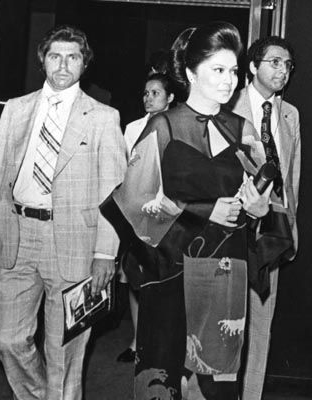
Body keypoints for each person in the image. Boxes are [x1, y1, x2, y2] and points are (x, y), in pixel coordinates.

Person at [101, 21, 293, 400]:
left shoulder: (244, 131)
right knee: (164, 381)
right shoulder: (164, 126)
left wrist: (259, 210)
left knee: (216, 385)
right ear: (190, 74)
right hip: (170, 272)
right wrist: (201, 211)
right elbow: (133, 205)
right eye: (217, 70)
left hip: (225, 276)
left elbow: (272, 207)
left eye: (233, 70)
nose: (228, 80)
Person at [0, 25, 126, 400]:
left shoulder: (103, 117)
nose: (63, 65)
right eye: (55, 56)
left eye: (72, 57)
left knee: (65, 353)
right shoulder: (16, 109)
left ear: (83, 64)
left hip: (75, 245)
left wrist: (106, 254)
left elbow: (113, 192)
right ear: (43, 60)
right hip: (17, 237)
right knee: (6, 340)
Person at [228, 36, 300, 400]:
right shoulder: (227, 105)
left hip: (270, 236)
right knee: (225, 330)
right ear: (253, 67)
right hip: (230, 231)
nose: (282, 71)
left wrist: (288, 228)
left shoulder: (289, 115)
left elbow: (292, 180)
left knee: (261, 330)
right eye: (274, 62)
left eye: (287, 65)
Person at [116, 72, 175, 363]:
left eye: (155, 93)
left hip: (166, 213)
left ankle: (160, 346)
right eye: (145, 93)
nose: (148, 98)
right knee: (134, 276)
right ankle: (137, 341)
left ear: (170, 97)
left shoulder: (177, 125)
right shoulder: (132, 128)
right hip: (137, 211)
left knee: (162, 280)